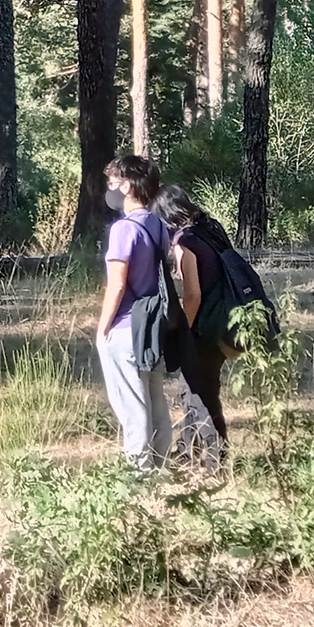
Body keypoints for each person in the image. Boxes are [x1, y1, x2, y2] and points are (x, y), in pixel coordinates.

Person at [96, 153, 173, 467]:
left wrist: (103, 330)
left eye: (113, 181)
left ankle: (140, 475)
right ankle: (161, 467)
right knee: (156, 401)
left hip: (126, 328)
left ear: (127, 186)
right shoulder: (158, 226)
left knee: (132, 406)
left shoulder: (123, 230)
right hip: (154, 325)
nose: (110, 188)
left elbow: (116, 285)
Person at [153, 183, 235, 459]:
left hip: (204, 327)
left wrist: (182, 331)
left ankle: (214, 457)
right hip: (224, 321)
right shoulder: (212, 229)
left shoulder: (185, 242)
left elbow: (193, 294)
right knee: (198, 389)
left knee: (199, 395)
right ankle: (188, 450)